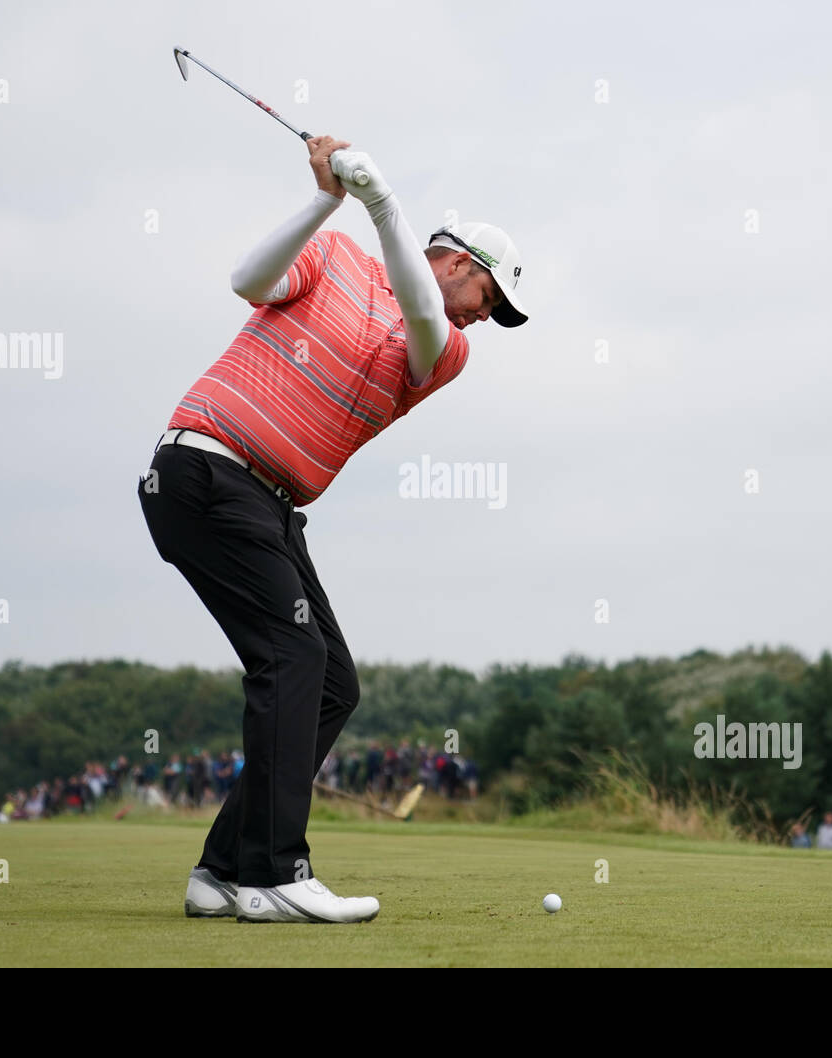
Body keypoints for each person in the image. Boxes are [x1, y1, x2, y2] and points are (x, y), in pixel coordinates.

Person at [139, 136, 527, 924]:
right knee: (293, 653)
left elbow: (420, 310)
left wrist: (384, 201)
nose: (479, 319)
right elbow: (246, 280)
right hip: (207, 470)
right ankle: (277, 872)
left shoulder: (442, 347)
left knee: (333, 683)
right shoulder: (340, 255)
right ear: (455, 260)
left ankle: (223, 868)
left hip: (270, 505)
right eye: (485, 298)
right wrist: (327, 201)